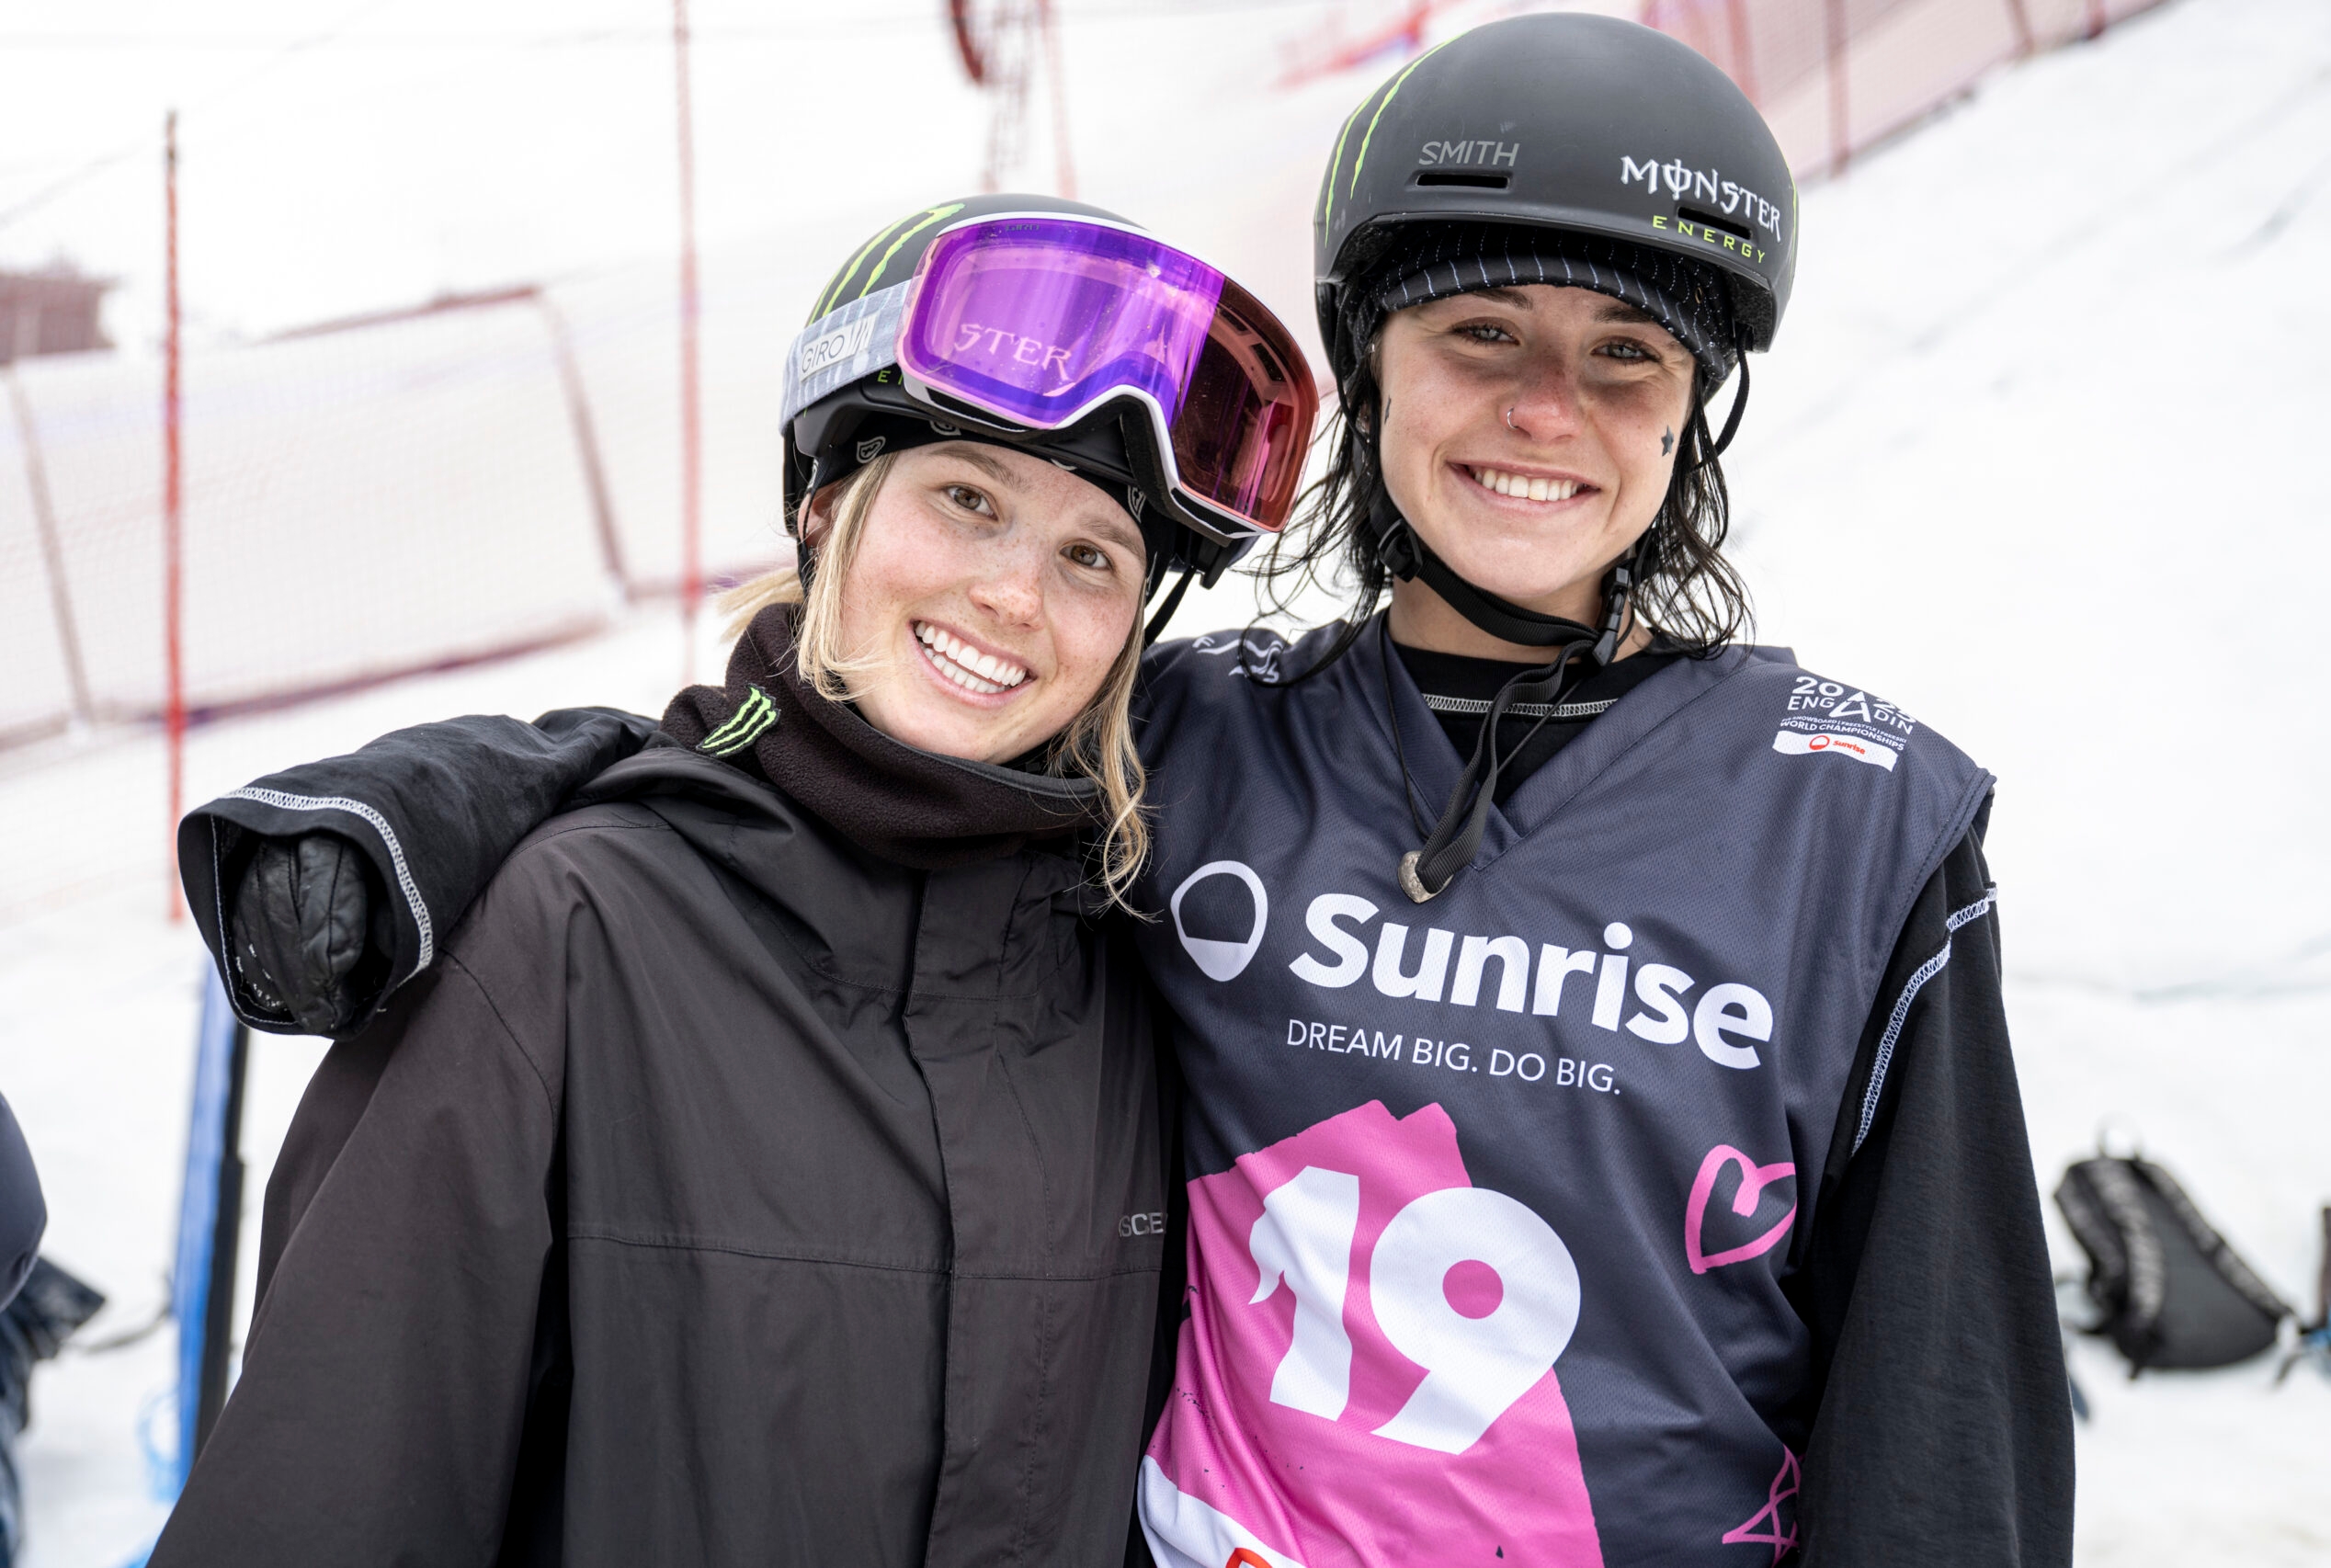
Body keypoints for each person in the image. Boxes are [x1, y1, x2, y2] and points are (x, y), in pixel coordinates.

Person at [186, 17, 2072, 1565]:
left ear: (1692, 413)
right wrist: (445, 800)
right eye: (1479, 334)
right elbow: (810, 753)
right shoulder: (1185, 738)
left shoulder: (1848, 818)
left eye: (1623, 359)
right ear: (1373, 364)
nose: (1541, 412)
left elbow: (1942, 1418)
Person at [154, 193, 1318, 1566]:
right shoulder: (573, 935)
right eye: (967, 498)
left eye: (1090, 555)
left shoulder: (1131, 991)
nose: (1017, 594)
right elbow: (328, 1497)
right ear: (827, 509)